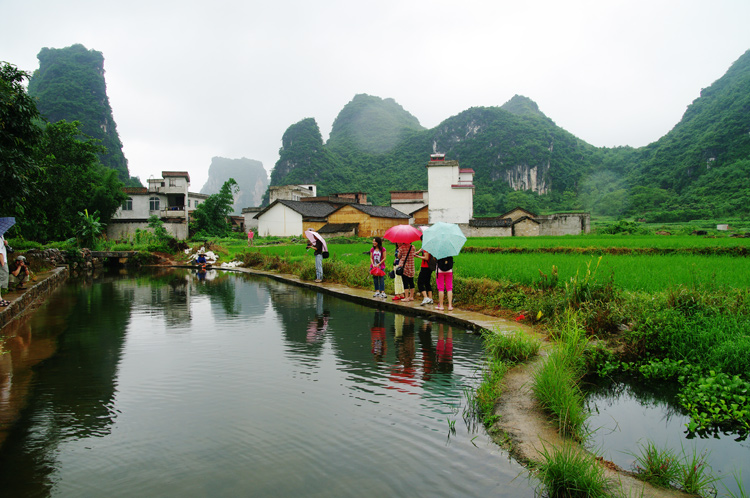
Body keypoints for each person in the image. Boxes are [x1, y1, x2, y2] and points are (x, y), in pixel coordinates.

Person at [0, 235, 9, 307]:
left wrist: (4, 243)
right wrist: (2, 263)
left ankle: (0, 298)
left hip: (3, 260)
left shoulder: (1, 236)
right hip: (1, 262)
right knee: (1, 279)